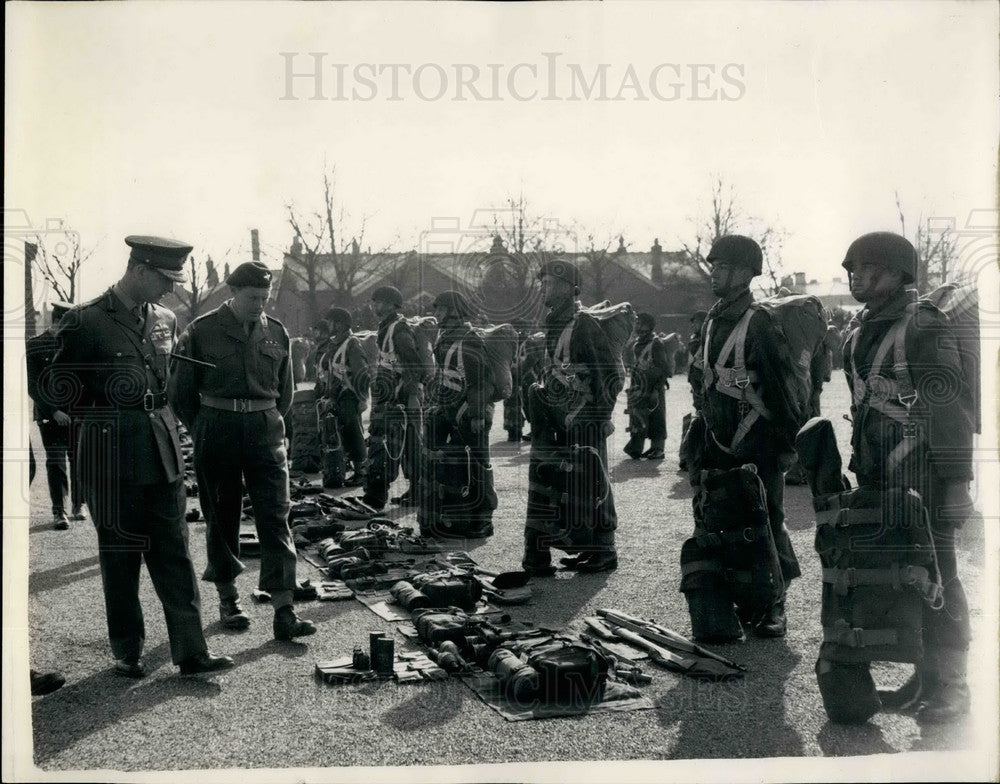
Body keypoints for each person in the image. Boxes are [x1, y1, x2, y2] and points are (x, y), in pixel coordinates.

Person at [51, 235, 233, 677]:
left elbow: (168, 382)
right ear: (138, 270)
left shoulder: (165, 319)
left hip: (162, 447)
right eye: (165, 278)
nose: (170, 289)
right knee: (120, 554)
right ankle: (127, 650)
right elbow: (57, 390)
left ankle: (191, 651)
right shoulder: (85, 321)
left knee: (175, 552)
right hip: (110, 453)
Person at [841, 232, 974, 724]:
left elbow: (952, 408)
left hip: (930, 475)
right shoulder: (863, 328)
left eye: (869, 266)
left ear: (899, 273)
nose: (856, 274)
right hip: (884, 476)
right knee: (904, 575)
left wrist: (958, 483)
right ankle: (925, 675)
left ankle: (954, 684)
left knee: (942, 573)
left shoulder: (923, 325)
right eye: (852, 266)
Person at [168, 261, 315, 642]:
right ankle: (228, 598)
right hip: (218, 430)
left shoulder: (277, 332)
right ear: (233, 293)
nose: (260, 305)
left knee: (276, 516)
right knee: (222, 515)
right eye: (253, 297)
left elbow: (285, 392)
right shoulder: (201, 331)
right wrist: (204, 427)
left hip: (265, 432)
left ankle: (284, 609)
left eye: (265, 298)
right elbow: (181, 394)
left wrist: (264, 421)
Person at [695, 235, 804, 636]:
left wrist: (785, 445)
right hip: (718, 438)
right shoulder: (713, 319)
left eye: (723, 267)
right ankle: (746, 598)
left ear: (745, 273)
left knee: (768, 519)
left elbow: (782, 389)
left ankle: (776, 604)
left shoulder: (759, 322)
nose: (715, 274)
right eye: (714, 266)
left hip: (758, 442)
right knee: (725, 520)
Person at [522, 260, 622, 575]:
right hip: (557, 415)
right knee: (561, 481)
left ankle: (604, 549)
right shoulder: (554, 324)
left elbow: (611, 376)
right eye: (543, 283)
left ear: (568, 288)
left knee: (595, 480)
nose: (543, 289)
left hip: (585, 417)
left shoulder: (585, 325)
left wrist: (597, 418)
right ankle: (584, 546)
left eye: (549, 283)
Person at [418, 291, 498, 539]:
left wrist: (475, 414)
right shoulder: (445, 338)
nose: (436, 314)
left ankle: (483, 518)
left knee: (477, 463)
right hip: (448, 408)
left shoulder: (470, 339)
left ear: (454, 311)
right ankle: (452, 514)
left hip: (470, 412)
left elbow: (481, 382)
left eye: (441, 309)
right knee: (448, 462)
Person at [358, 286, 424, 511]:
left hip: (400, 398)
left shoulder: (398, 329)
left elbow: (414, 364)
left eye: (377, 302)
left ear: (390, 304)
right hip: (393, 396)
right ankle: (417, 491)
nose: (373, 305)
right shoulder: (387, 327)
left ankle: (375, 497)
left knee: (385, 443)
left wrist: (411, 396)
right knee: (408, 445)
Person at [26, 301, 85, 529]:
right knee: (56, 462)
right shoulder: (35, 346)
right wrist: (54, 410)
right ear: (58, 321)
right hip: (49, 414)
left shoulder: (76, 345)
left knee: (78, 460)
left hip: (76, 414)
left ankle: (78, 505)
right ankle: (59, 512)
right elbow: (32, 384)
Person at [316, 307, 370, 487]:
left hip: (350, 395)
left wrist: (362, 398)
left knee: (353, 431)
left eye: (331, 322)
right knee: (340, 432)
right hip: (338, 396)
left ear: (340, 324)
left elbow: (362, 372)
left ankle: (362, 471)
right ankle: (346, 466)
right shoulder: (335, 344)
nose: (329, 325)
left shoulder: (352, 343)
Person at [623, 312, 670, 460]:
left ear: (648, 326)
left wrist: (656, 389)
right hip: (638, 387)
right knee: (638, 417)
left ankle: (658, 449)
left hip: (653, 387)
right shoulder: (637, 343)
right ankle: (639, 448)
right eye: (636, 322)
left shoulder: (656, 343)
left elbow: (663, 368)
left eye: (640, 323)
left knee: (657, 418)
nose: (636, 325)